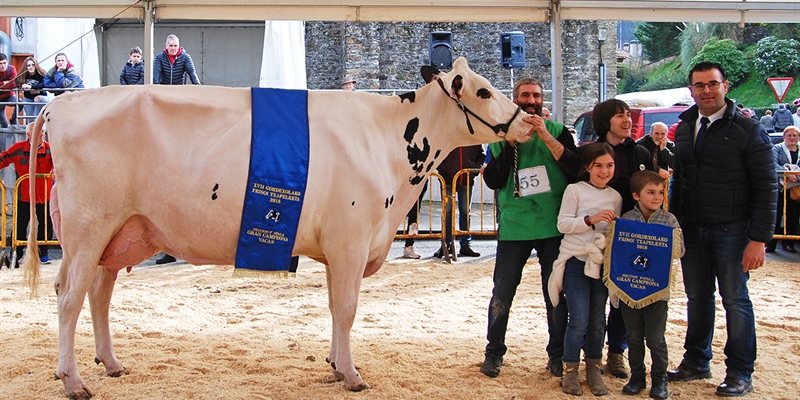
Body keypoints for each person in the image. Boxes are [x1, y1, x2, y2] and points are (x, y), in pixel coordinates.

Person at [668, 61, 777, 397]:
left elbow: (767, 185)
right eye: (699, 85)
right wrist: (675, 225)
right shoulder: (684, 127)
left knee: (736, 301)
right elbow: (680, 181)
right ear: (691, 90)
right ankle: (697, 360)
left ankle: (740, 372)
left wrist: (759, 238)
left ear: (725, 86)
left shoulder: (749, 129)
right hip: (693, 229)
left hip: (733, 230)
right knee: (697, 297)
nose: (706, 91)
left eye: (712, 84)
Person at [480, 77, 579, 379]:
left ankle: (557, 354)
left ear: (542, 99)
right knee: (503, 291)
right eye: (525, 95)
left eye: (535, 95)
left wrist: (545, 135)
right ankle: (494, 352)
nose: (531, 100)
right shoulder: (498, 139)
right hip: (514, 226)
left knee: (556, 293)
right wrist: (510, 141)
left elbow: (576, 170)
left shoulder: (560, 132)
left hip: (553, 223)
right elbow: (493, 180)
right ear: (515, 100)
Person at [583, 98, 656, 380]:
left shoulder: (640, 151)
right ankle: (591, 352)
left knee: (624, 296)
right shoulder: (591, 151)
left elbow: (649, 191)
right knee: (594, 295)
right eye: (619, 116)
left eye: (628, 115)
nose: (627, 120)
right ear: (605, 121)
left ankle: (617, 351)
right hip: (596, 235)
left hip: (630, 236)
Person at [549, 142, 622, 396]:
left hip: (601, 264)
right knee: (578, 318)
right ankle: (570, 370)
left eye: (609, 166)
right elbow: (562, 224)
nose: (604, 171)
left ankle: (593, 367)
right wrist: (591, 220)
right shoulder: (574, 191)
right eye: (598, 166)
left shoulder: (615, 197)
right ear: (587, 168)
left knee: (597, 319)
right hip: (576, 260)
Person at [617, 170, 685, 399]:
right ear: (636, 195)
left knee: (656, 338)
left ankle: (660, 380)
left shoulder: (669, 220)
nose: (657, 197)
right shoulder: (626, 219)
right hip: (630, 288)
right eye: (651, 192)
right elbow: (617, 252)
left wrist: (667, 242)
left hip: (657, 290)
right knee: (634, 336)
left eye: (660, 192)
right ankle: (637, 377)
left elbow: (680, 251)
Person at [0, 123, 55, 267]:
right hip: (24, 196)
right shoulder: (19, 148)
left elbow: (59, 163)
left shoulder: (50, 149)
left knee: (46, 225)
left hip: (44, 196)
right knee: (20, 225)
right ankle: (17, 254)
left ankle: (43, 254)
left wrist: (56, 171)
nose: (42, 134)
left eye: (43, 131)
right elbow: (3, 158)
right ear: (29, 135)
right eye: (39, 131)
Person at [433, 145, 485, 258]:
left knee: (465, 211)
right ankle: (446, 244)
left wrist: (473, 170)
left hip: (466, 179)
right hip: (447, 179)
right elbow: (437, 153)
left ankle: (465, 244)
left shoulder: (472, 136)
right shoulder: (448, 133)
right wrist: (443, 169)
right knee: (447, 212)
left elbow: (481, 155)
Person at [766, 125, 800, 253]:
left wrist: (796, 177)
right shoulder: (777, 148)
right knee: (776, 214)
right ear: (784, 136)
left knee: (792, 215)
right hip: (779, 187)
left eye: (794, 135)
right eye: (789, 135)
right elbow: (772, 164)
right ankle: (771, 243)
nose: (792, 138)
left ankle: (789, 243)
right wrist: (787, 173)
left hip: (796, 188)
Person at [14, 56, 49, 123]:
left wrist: (31, 87)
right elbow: (17, 82)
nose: (31, 67)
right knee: (30, 119)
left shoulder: (41, 74)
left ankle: (38, 129)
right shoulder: (23, 75)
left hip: (41, 97)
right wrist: (22, 86)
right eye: (28, 65)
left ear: (36, 65)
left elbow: (44, 84)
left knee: (36, 117)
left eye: (33, 65)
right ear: (25, 67)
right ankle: (32, 132)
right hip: (28, 98)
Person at [402, 185, 427, 259]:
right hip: (412, 183)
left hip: (419, 183)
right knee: (414, 214)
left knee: (414, 214)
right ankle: (409, 246)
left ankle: (409, 245)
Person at [0, 53, 19, 128]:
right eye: (0, 64)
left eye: (4, 63)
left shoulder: (11, 69)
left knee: (20, 103)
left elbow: (14, 83)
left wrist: (1, 86)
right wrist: (4, 83)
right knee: (4, 124)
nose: (3, 66)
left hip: (9, 96)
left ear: (7, 61)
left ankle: (13, 120)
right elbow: (11, 84)